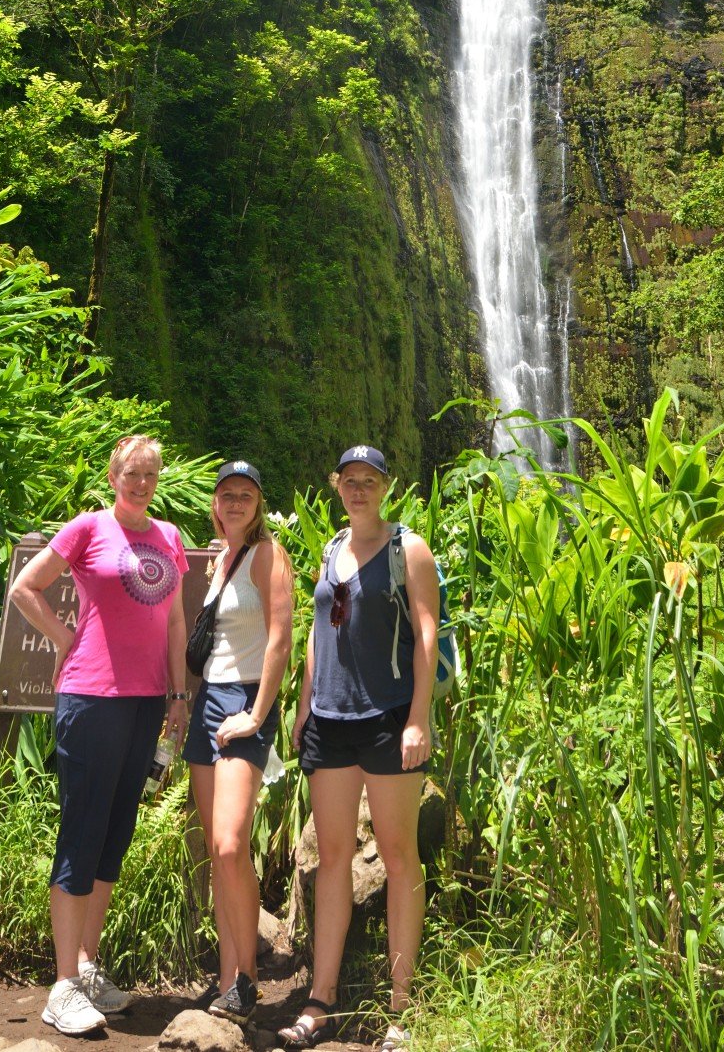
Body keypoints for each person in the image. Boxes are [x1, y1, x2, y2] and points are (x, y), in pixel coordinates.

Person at [10, 434, 188, 1037]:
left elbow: (174, 620)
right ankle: (61, 986)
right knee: (82, 832)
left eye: (150, 474)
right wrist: (65, 639)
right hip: (92, 697)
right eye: (131, 472)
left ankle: (86, 966)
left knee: (115, 835)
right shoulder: (87, 528)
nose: (141, 483)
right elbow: (25, 588)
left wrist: (178, 695)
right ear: (114, 475)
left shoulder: (168, 537)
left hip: (144, 704)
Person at [281, 444, 439, 1052]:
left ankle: (403, 1008)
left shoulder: (408, 548)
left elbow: (426, 633)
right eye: (350, 480)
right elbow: (321, 633)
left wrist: (418, 718)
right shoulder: (330, 549)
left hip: (389, 718)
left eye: (369, 480)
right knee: (333, 860)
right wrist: (302, 708)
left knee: (399, 857)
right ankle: (320, 999)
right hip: (330, 719)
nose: (359, 489)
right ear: (336, 485)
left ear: (385, 486)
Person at [183, 460, 294, 1026]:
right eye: (227, 494)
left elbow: (280, 639)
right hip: (208, 702)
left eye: (246, 495)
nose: (235, 502)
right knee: (215, 852)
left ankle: (246, 978)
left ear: (258, 504)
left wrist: (257, 714)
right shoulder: (219, 558)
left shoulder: (269, 556)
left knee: (230, 845)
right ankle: (228, 981)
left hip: (244, 703)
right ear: (215, 504)